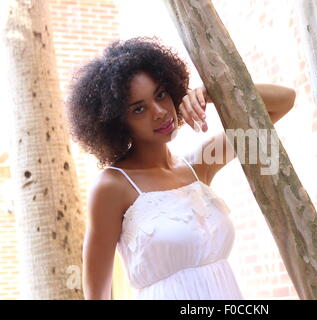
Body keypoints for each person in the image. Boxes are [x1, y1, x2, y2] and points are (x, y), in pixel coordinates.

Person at [66, 36, 296, 300]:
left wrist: (211, 93)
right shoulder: (112, 186)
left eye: (161, 95)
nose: (160, 112)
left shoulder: (200, 164)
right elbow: (96, 294)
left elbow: (284, 101)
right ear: (118, 123)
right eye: (139, 109)